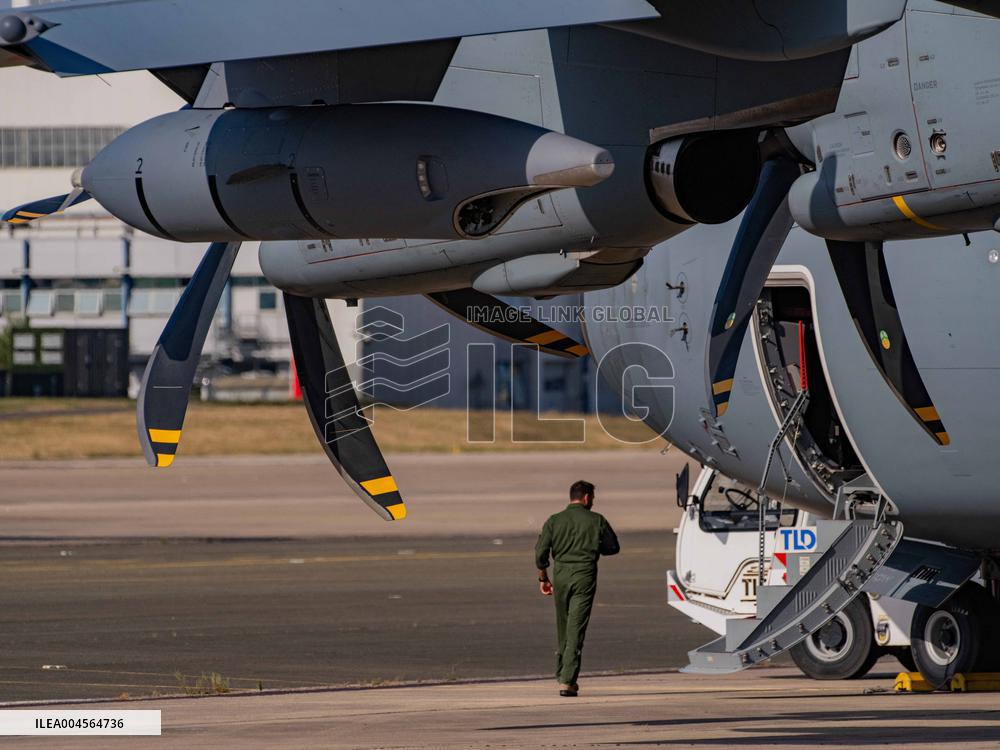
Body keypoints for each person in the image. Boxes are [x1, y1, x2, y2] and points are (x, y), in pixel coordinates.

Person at [534, 479, 620, 697]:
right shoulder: (597, 520)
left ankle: (562, 671)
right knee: (576, 628)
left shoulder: (554, 520)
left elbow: (540, 553)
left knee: (563, 625)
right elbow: (612, 548)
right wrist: (592, 546)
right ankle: (567, 680)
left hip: (560, 575)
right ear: (587, 497)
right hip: (584, 575)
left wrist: (543, 578)